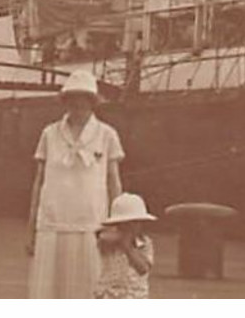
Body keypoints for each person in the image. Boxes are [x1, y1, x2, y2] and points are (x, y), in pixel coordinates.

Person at [26, 68, 124, 298]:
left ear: (92, 101)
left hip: (92, 224)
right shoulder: (49, 134)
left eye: (83, 98)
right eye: (73, 98)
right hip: (52, 222)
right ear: (66, 100)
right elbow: (38, 182)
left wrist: (118, 225)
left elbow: (114, 182)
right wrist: (31, 229)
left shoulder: (107, 134)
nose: (77, 104)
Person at [94, 192, 156, 299]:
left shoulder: (145, 243)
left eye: (137, 222)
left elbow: (143, 268)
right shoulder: (108, 240)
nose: (133, 227)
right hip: (109, 295)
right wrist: (120, 239)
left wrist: (128, 248)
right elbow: (101, 237)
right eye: (127, 223)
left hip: (136, 295)